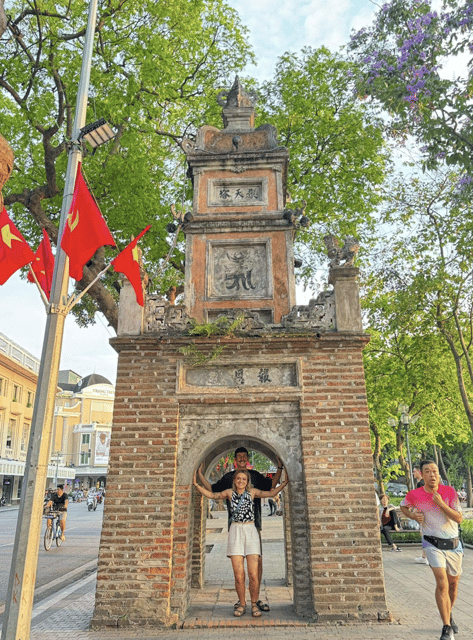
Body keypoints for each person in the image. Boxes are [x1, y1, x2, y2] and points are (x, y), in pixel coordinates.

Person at [193, 467, 289, 618]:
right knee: (239, 575)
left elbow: (271, 493)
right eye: (238, 479)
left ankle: (254, 604)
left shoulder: (252, 492)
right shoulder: (229, 493)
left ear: (247, 481)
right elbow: (212, 495)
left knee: (253, 574)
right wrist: (197, 486)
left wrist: (283, 484)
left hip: (250, 530)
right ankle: (242, 603)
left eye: (244, 479)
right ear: (234, 481)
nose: (241, 481)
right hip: (236, 531)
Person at [400, 460, 463, 640]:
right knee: (442, 582)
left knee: (453, 584)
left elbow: (459, 519)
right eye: (427, 471)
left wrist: (442, 504)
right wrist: (413, 515)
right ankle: (446, 627)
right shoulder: (415, 494)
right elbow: (404, 506)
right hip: (431, 543)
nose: (432, 474)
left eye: (434, 471)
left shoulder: (449, 492)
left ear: (438, 474)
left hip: (453, 544)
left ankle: (448, 614)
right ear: (422, 474)